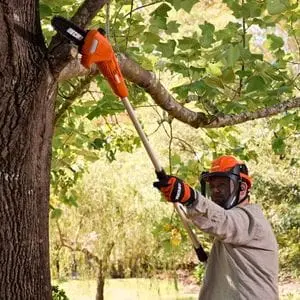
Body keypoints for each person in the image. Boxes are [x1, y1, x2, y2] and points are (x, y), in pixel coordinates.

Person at [153, 155, 278, 300]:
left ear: (242, 188)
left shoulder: (250, 220)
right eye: (212, 186)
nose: (216, 191)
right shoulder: (229, 227)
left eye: (222, 185)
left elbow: (223, 221)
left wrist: (190, 198)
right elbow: (214, 220)